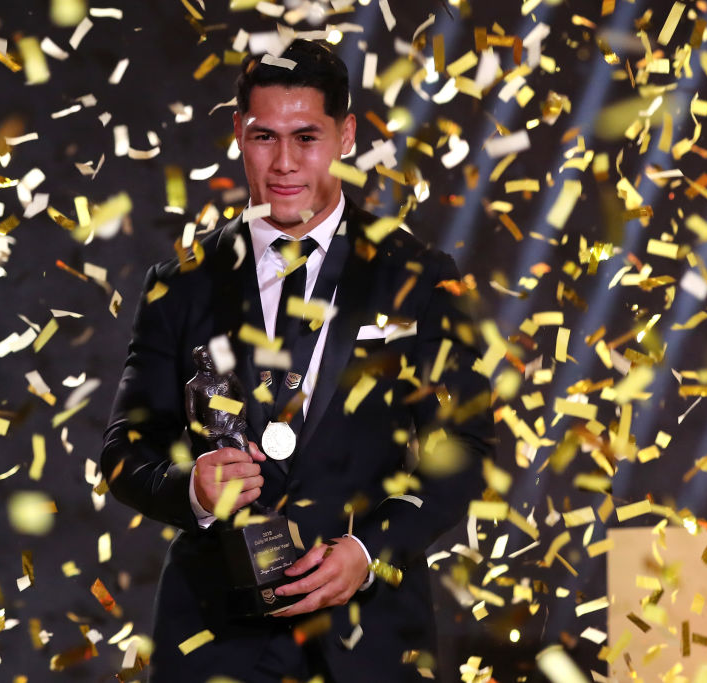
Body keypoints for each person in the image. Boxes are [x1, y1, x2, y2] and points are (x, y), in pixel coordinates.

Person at [100, 39, 495, 682]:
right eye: (264, 137)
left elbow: (469, 447)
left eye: (306, 137)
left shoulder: (419, 278)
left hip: (370, 643)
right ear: (237, 133)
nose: (283, 164)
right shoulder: (181, 283)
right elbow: (124, 453)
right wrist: (194, 489)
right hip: (214, 641)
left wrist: (370, 552)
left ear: (346, 135)